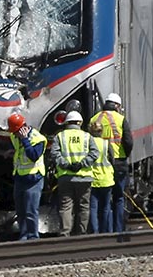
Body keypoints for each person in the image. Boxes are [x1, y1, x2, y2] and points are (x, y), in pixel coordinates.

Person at [50, 110, 99, 236]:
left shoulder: (60, 137)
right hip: (84, 177)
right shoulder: (87, 136)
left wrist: (67, 165)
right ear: (80, 122)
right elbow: (94, 153)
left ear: (66, 123)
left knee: (66, 206)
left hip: (66, 177)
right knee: (83, 206)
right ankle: (82, 232)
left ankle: (65, 232)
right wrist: (81, 164)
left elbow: (54, 154)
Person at [90, 93, 133, 233]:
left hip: (99, 165)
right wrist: (124, 155)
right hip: (119, 163)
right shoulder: (120, 119)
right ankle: (118, 229)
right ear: (117, 106)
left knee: (103, 201)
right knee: (119, 198)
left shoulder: (94, 119)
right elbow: (128, 141)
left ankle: (104, 231)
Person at [7, 113, 47, 240]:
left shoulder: (37, 138)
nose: (14, 135)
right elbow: (20, 152)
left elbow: (34, 155)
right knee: (21, 210)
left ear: (22, 128)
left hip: (34, 178)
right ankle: (24, 235)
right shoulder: (15, 137)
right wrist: (11, 152)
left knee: (31, 210)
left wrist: (25, 140)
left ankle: (33, 237)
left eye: (16, 132)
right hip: (20, 177)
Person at [88, 121, 114, 233]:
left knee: (93, 208)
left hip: (92, 179)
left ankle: (94, 232)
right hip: (106, 179)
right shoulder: (106, 143)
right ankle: (105, 231)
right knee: (106, 207)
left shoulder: (88, 143)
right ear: (101, 131)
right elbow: (112, 160)